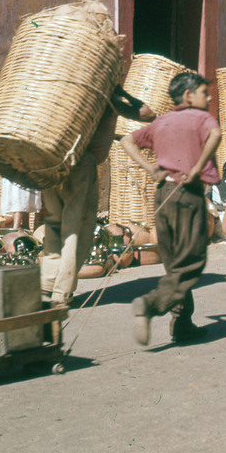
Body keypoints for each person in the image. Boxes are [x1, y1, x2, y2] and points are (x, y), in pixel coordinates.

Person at [120, 71, 221, 346]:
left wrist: (150, 167)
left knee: (175, 263)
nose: (209, 97)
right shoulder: (202, 118)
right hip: (188, 194)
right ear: (188, 96)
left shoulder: (161, 121)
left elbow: (126, 140)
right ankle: (149, 305)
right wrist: (198, 167)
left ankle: (183, 325)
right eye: (204, 92)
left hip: (163, 194)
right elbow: (215, 134)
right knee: (192, 262)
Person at [41, 86, 155, 306]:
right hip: (81, 163)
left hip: (52, 160)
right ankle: (61, 294)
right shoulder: (106, 99)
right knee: (76, 227)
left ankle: (46, 286)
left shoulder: (67, 94)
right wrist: (123, 93)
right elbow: (148, 113)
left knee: (54, 223)